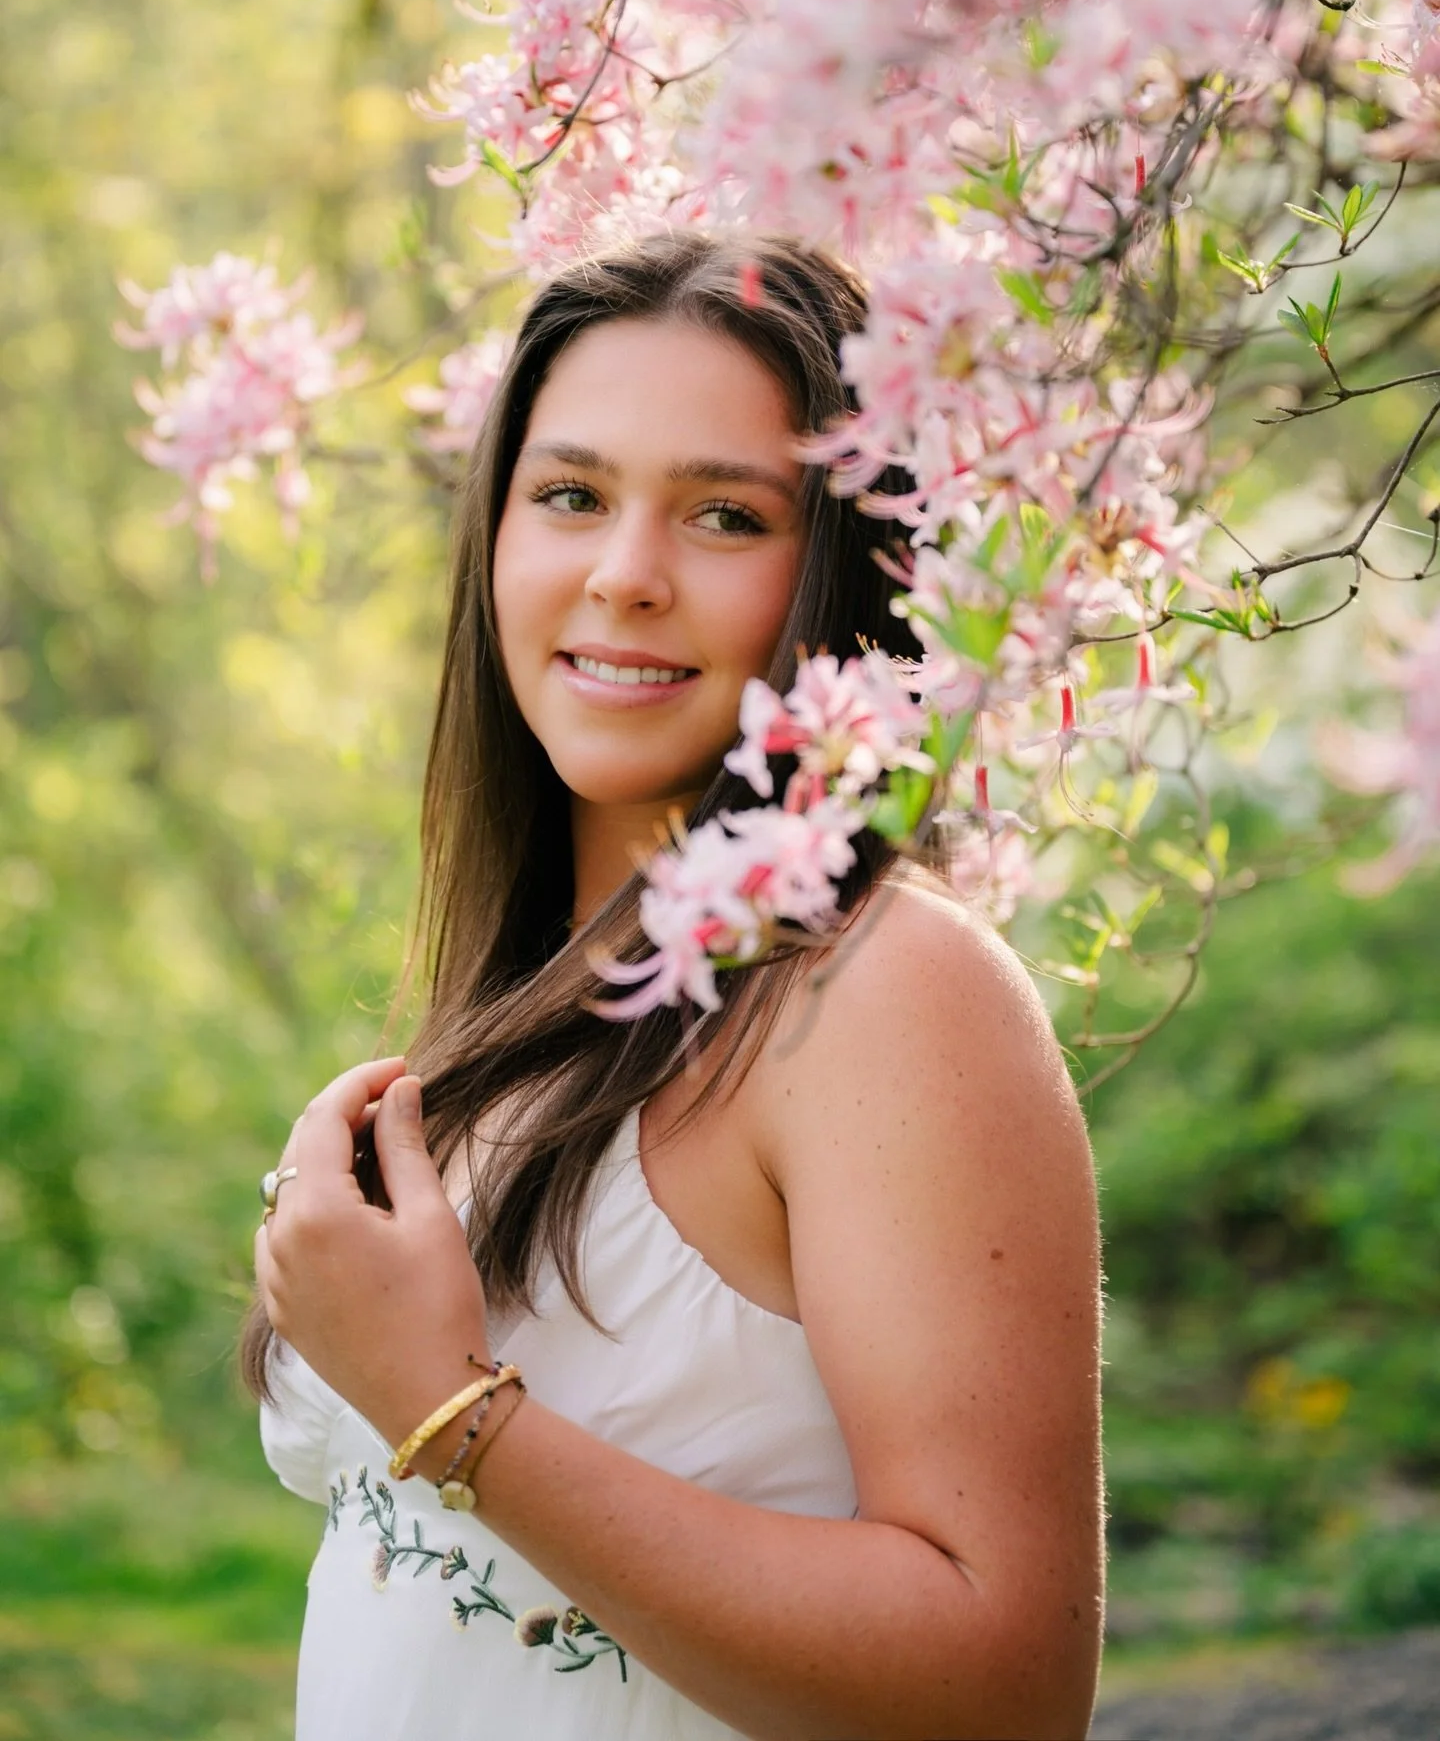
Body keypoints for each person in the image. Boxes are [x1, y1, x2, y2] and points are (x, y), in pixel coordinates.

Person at [248, 230, 1104, 1741]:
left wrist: (451, 1413)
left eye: (724, 515)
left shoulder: (880, 991)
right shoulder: (539, 987)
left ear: (845, 574)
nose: (624, 576)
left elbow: (1007, 1683)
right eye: (570, 495)